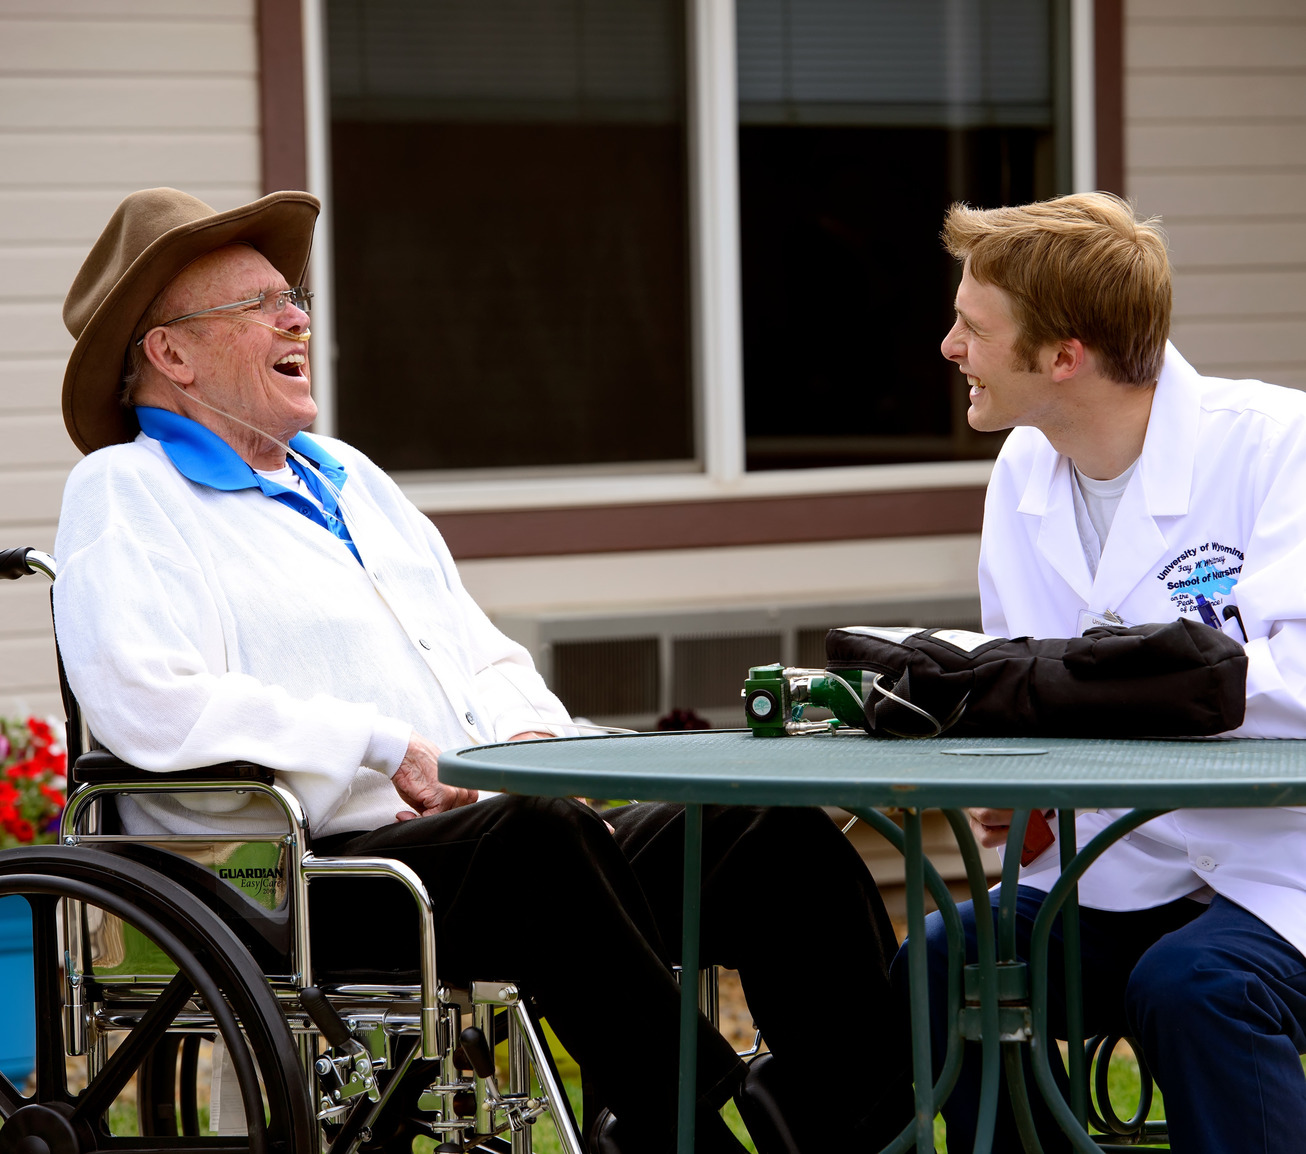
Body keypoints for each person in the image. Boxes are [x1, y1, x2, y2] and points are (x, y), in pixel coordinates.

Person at [52, 188, 912, 1154]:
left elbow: (476, 647)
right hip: (307, 879)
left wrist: (527, 743)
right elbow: (149, 700)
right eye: (256, 306)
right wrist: (391, 749)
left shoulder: (344, 475)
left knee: (764, 833)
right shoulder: (128, 492)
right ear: (170, 354)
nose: (297, 316)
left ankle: (851, 1126)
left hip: (489, 841)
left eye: (291, 294)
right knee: (534, 840)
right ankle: (686, 1124)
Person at [900, 191, 1306, 1152]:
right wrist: (1024, 783)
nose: (950, 346)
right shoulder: (1024, 472)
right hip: (1116, 864)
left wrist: (1129, 693)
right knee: (943, 961)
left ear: (1063, 355)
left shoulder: (1278, 444)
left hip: (1281, 863)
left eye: (972, 326)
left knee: (1196, 987)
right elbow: (1029, 683)